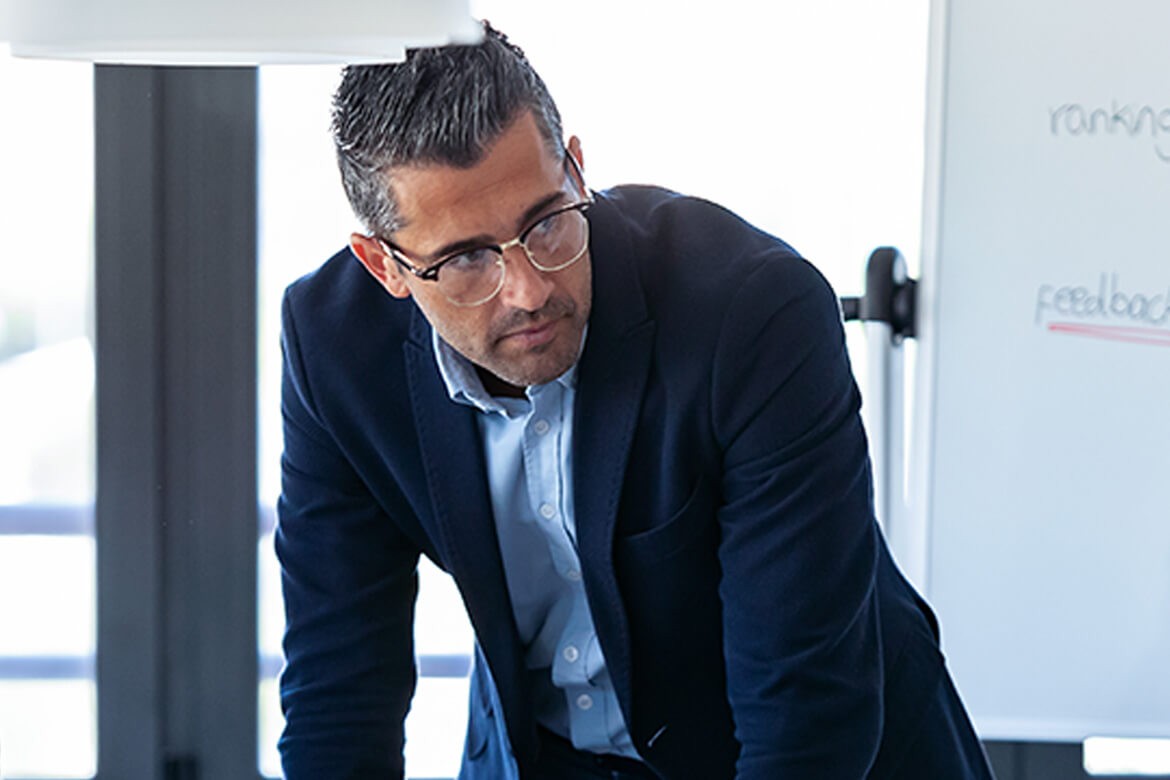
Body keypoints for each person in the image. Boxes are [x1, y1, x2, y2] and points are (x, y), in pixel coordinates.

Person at [275, 22, 995, 780]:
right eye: (466, 260)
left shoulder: (753, 310)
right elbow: (338, 690)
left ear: (576, 169)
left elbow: (802, 714)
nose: (528, 290)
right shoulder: (335, 350)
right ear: (384, 265)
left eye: (545, 223)